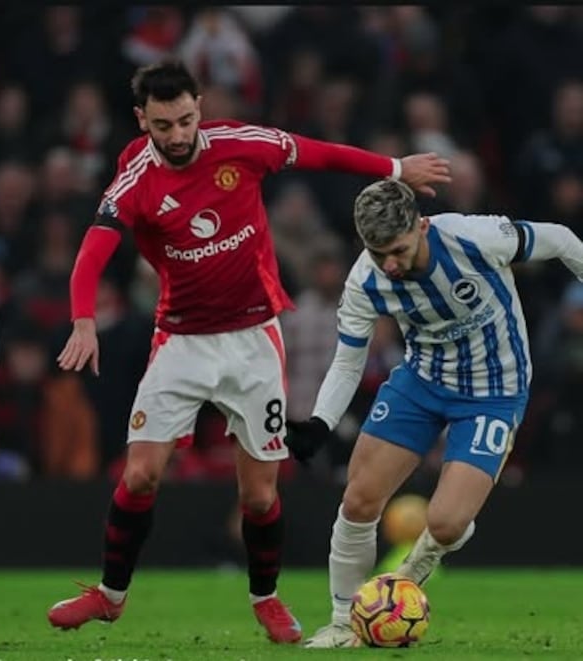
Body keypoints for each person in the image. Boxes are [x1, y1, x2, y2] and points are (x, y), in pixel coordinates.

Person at [46, 58, 450, 644]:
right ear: (142, 121)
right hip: (181, 339)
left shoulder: (242, 144)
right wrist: (83, 321)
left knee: (259, 493)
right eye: (163, 125)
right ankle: (110, 597)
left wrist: (394, 168)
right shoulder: (134, 180)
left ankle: (265, 599)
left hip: (253, 338)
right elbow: (93, 249)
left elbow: (318, 153)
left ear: (199, 107)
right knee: (138, 477)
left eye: (185, 119)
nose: (178, 135)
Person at [284, 178, 583, 648]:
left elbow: (562, 240)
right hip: (421, 384)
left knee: (445, 523)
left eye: (398, 250)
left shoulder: (474, 237)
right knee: (359, 499)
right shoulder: (366, 279)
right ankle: (344, 622)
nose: (390, 263)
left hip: (495, 393)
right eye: (377, 251)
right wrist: (320, 422)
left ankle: (411, 570)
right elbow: (348, 360)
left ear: (421, 226)